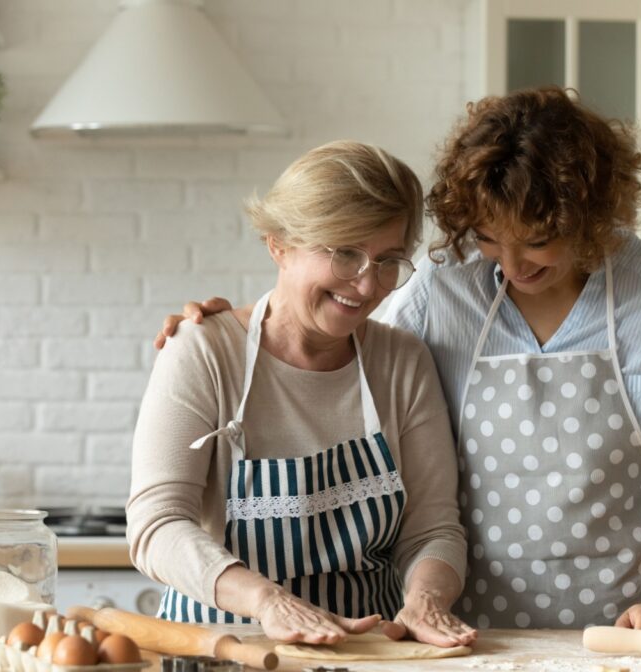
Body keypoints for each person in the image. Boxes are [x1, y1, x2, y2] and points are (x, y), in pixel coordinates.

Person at [154, 87, 641, 631]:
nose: (511, 265)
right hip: (469, 634)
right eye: (488, 237)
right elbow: (336, 332)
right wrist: (221, 331)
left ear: (592, 215)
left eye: (538, 240)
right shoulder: (445, 288)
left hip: (629, 634)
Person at [127, 140, 477, 648]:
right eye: (345, 254)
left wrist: (426, 600)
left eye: (387, 261)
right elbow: (157, 525)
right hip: (223, 647)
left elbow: (432, 528)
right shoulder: (203, 351)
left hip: (366, 652)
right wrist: (268, 601)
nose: (366, 285)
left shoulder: (402, 362)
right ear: (279, 245)